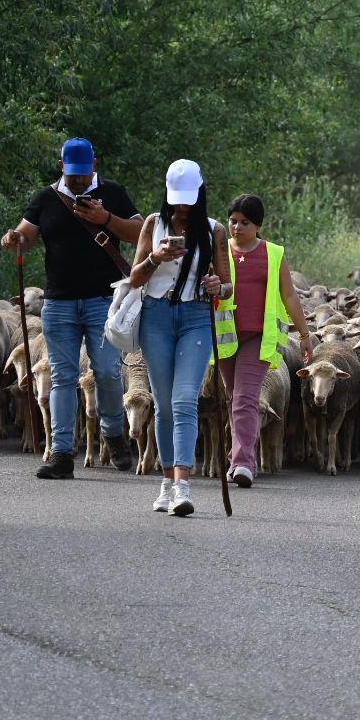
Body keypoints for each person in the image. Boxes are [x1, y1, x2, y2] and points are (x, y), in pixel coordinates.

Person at [1, 137, 143, 479]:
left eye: (84, 174)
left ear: (94, 165)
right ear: (63, 166)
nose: (78, 181)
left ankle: (113, 432)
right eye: (72, 174)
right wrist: (15, 239)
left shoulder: (113, 193)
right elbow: (27, 234)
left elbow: (140, 232)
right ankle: (61, 453)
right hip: (59, 302)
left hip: (102, 301)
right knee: (63, 376)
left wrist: (105, 217)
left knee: (107, 371)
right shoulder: (47, 197)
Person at [128, 159, 229, 516]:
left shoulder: (215, 230)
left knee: (186, 399)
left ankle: (184, 486)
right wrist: (155, 258)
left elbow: (227, 286)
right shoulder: (154, 225)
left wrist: (219, 285)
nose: (182, 207)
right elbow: (135, 278)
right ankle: (167, 481)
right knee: (164, 402)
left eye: (188, 199)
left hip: (196, 317)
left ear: (200, 193)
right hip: (156, 316)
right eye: (176, 199)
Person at [214, 194, 313, 487]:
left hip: (259, 336)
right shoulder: (218, 251)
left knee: (246, 398)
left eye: (245, 222)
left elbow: (290, 295)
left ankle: (244, 463)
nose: (237, 227)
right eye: (232, 221)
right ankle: (237, 458)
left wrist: (305, 335)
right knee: (233, 397)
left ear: (257, 225)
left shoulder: (273, 254)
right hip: (225, 336)